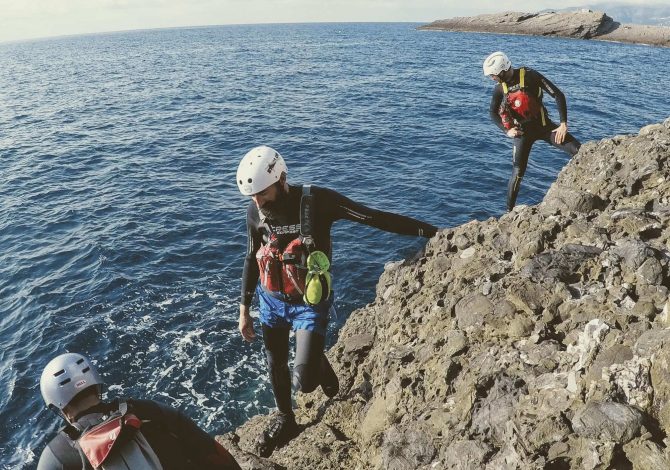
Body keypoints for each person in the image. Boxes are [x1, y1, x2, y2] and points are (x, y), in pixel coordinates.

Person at [237, 145, 436, 455]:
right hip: (270, 301)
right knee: (274, 360)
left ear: (281, 179)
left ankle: (315, 359)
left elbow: (374, 217)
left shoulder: (317, 202)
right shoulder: (255, 211)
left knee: (305, 383)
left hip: (308, 302)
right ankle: (285, 418)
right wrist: (244, 309)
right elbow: (251, 256)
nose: (256, 202)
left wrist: (432, 232)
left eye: (262, 193)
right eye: (252, 196)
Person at [37, 352, 241, 470]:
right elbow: (215, 455)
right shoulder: (148, 411)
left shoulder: (56, 457)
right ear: (97, 385)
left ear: (58, 406)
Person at [483, 51, 581, 211]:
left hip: (545, 128)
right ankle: (509, 212)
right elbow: (492, 113)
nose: (492, 79)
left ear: (501, 71)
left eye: (493, 75)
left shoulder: (530, 75)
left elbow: (558, 95)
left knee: (580, 151)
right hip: (522, 135)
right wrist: (506, 131)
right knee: (517, 172)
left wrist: (563, 124)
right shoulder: (500, 89)